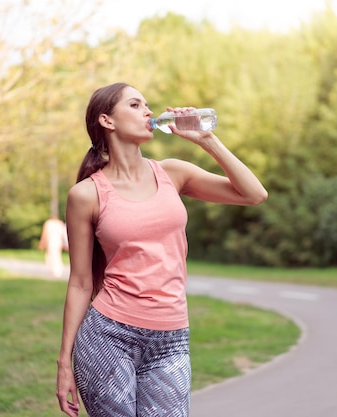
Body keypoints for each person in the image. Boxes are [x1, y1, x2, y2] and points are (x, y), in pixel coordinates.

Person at [55, 82, 268, 417]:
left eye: (147, 105)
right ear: (107, 120)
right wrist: (64, 362)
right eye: (136, 105)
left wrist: (207, 140)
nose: (149, 112)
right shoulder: (86, 195)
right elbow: (81, 281)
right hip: (108, 336)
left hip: (171, 338)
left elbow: (254, 194)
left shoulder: (172, 173)